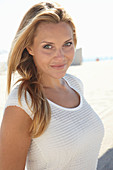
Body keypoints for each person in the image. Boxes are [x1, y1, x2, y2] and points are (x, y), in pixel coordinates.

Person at [0, 1, 104, 170]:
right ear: (30, 48)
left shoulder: (75, 84)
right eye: (48, 46)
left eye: (67, 44)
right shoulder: (22, 103)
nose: (60, 56)